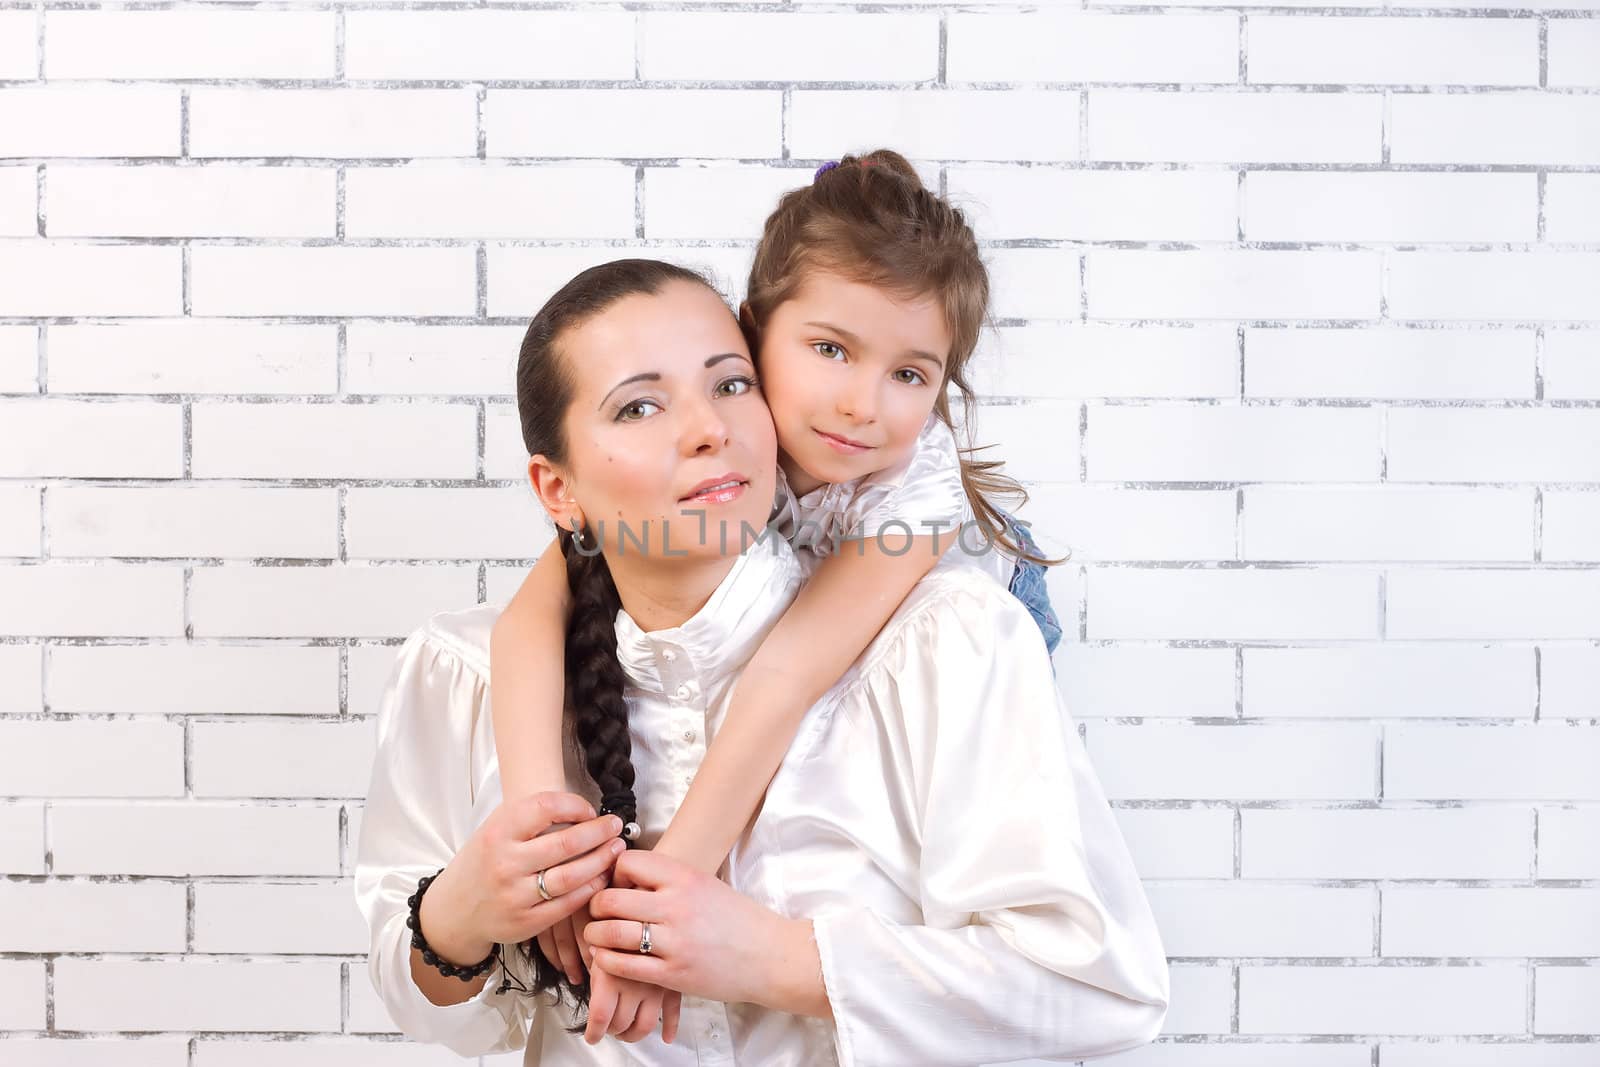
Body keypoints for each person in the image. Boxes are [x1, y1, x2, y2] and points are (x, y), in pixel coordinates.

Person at [353, 257, 1170, 1065]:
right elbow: (432, 1011)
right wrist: (454, 916)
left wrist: (778, 958)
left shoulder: (941, 639)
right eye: (639, 406)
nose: (708, 428)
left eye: (731, 384)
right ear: (556, 488)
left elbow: (1101, 988)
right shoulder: (465, 673)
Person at [488, 153, 1070, 1034]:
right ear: (751, 328)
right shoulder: (725, 443)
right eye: (830, 350)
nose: (862, 405)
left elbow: (786, 677)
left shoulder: (916, 499)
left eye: (911, 374)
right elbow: (540, 605)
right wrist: (547, 843)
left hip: (956, 616)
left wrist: (662, 894)